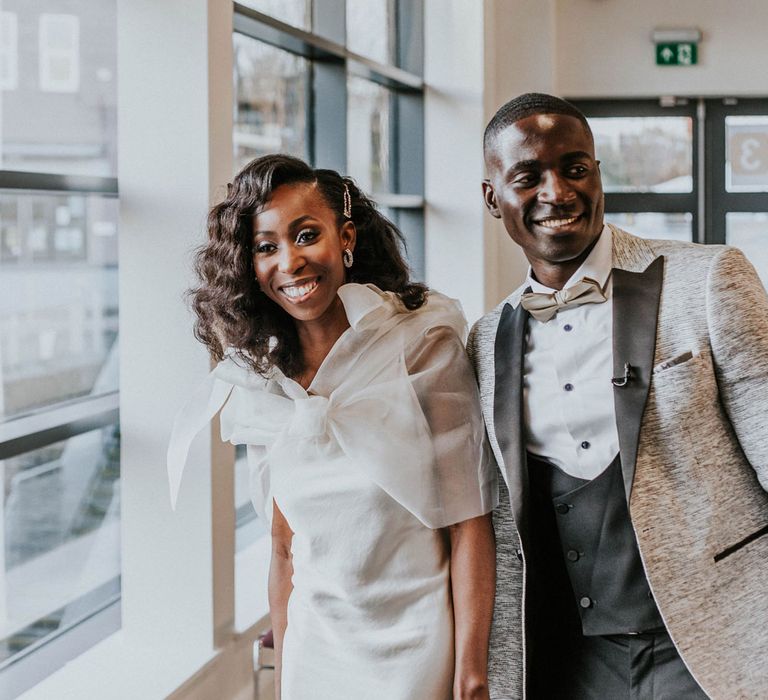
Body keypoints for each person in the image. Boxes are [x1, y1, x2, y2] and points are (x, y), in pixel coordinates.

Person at [468, 93, 768, 699]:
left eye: (575, 168)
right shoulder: (483, 340)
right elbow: (499, 520)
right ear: (491, 196)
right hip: (573, 664)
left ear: (598, 174)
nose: (557, 192)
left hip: (715, 642)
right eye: (528, 177)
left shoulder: (708, 278)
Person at [167, 154, 497, 699]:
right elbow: (282, 549)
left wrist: (471, 672)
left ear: (345, 237)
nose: (290, 262)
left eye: (305, 235)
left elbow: (468, 523)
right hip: (316, 654)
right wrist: (285, 674)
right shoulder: (266, 381)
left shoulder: (419, 346)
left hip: (417, 649)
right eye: (266, 247)